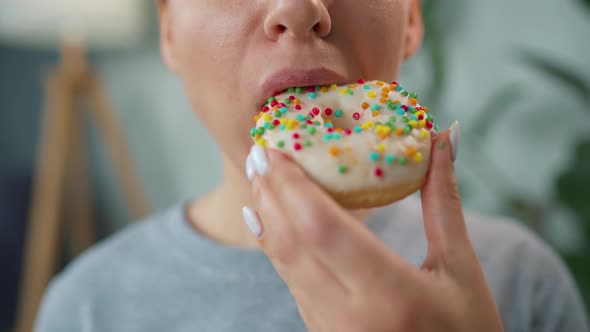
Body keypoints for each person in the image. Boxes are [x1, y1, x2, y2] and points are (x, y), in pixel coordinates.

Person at [35, 0, 589, 331]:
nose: (299, 9)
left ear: (412, 16)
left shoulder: (519, 283)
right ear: (169, 30)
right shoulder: (88, 307)